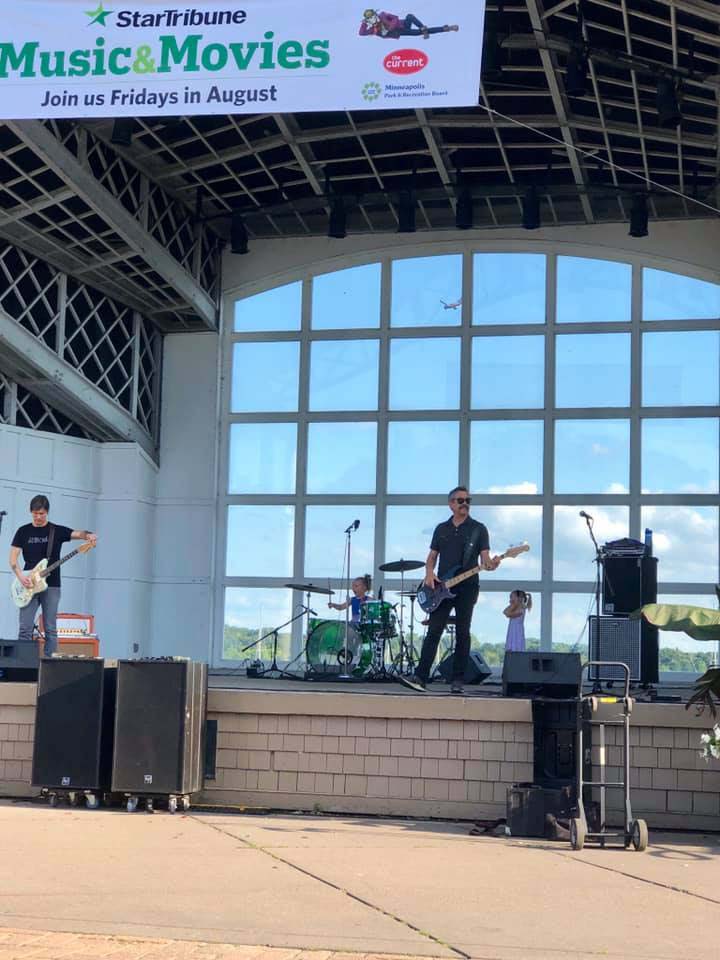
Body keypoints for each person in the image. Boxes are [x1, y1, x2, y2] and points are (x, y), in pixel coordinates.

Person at [401, 486, 500, 695]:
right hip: (442, 587)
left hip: (468, 586)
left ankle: (457, 680)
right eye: (460, 500)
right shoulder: (441, 529)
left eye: (468, 500)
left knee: (463, 633)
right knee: (434, 631)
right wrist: (429, 573)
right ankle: (421, 676)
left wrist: (492, 564)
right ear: (451, 504)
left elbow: (485, 559)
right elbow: (432, 557)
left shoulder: (478, 529)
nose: (465, 503)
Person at [9, 495, 97, 656]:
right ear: (31, 512)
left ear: (47, 512)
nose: (38, 517)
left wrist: (89, 535)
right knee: (25, 628)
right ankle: (23, 665)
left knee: (50, 628)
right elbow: (13, 558)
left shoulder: (56, 531)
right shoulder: (23, 531)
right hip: (27, 584)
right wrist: (20, 576)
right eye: (35, 513)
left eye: (41, 513)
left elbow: (77, 534)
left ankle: (50, 666)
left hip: (52, 585)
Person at [359, 9, 459, 39]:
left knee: (409, 16)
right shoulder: (374, 29)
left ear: (375, 14)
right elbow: (362, 33)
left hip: (401, 25)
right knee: (418, 33)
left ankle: (423, 28)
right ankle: (447, 28)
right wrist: (363, 24)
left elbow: (395, 18)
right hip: (401, 32)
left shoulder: (383, 15)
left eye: (373, 16)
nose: (372, 19)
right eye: (369, 19)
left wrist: (390, 27)